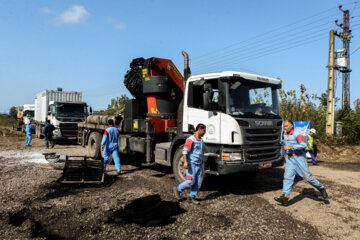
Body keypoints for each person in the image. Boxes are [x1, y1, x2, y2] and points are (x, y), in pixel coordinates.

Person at [274, 120, 328, 206]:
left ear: (292, 126)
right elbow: (284, 145)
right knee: (287, 178)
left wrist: (292, 146)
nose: (285, 128)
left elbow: (303, 145)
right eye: (284, 126)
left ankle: (321, 188)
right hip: (290, 159)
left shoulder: (297, 133)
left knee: (308, 177)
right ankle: (284, 198)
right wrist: (285, 155)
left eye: (287, 126)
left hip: (299, 158)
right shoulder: (284, 133)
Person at [173, 123, 206, 205]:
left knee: (198, 182)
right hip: (192, 164)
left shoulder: (201, 141)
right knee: (190, 181)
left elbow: (200, 152)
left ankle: (191, 197)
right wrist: (185, 162)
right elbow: (185, 151)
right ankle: (178, 189)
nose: (205, 133)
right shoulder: (191, 139)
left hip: (199, 165)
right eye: (204, 130)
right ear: (199, 129)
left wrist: (201, 160)